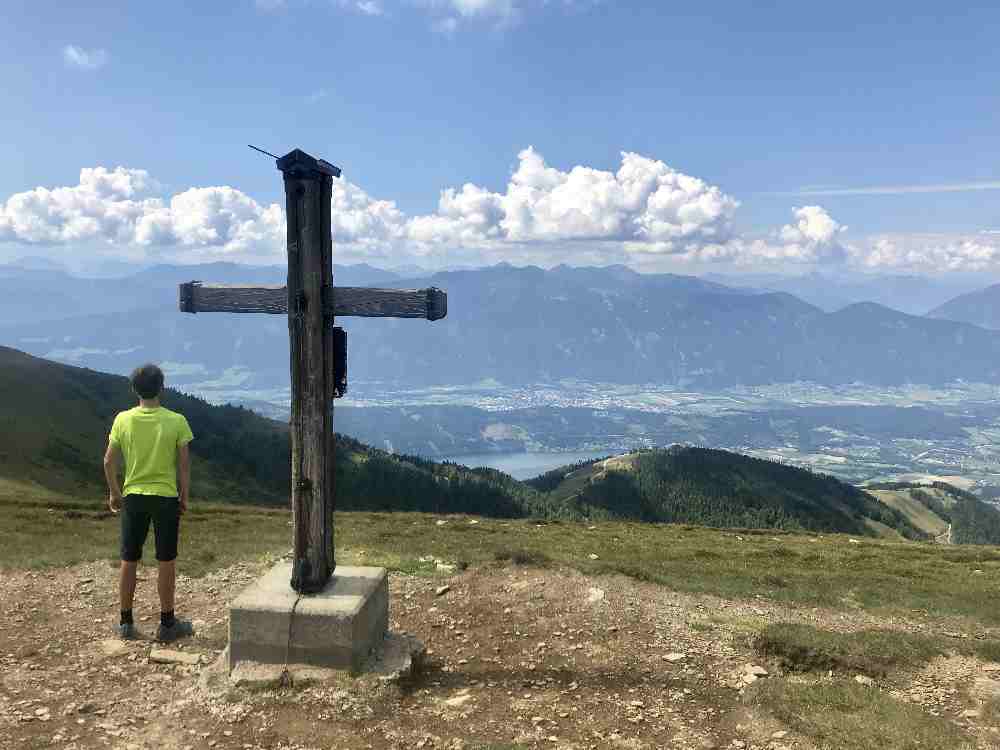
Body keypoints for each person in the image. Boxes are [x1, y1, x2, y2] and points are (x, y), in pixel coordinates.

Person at [103, 363, 195, 642]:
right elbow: (183, 466)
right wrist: (184, 496)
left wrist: (115, 493)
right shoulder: (177, 421)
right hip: (166, 497)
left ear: (134, 390)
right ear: (162, 388)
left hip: (133, 497)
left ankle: (125, 623)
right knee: (166, 560)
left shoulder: (123, 420)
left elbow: (108, 461)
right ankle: (167, 624)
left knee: (129, 559)